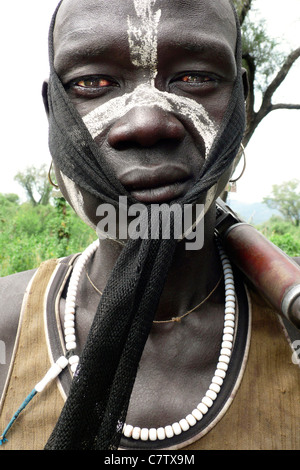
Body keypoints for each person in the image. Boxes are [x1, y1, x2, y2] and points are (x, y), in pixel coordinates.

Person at [0, 0, 299, 451]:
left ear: (241, 99)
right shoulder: (6, 328)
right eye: (93, 82)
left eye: (195, 77)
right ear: (54, 114)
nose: (146, 123)